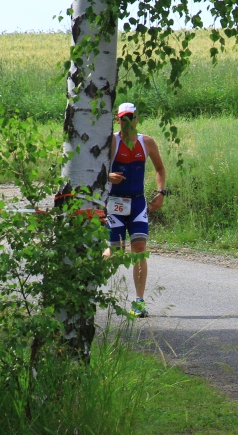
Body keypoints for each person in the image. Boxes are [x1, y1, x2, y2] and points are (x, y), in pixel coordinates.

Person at [106, 102, 167, 318]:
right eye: (124, 118)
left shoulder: (146, 142)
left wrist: (161, 193)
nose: (128, 122)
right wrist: (107, 176)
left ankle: (139, 302)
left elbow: (160, 168)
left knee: (139, 249)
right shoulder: (111, 141)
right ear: (118, 119)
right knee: (116, 253)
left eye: (131, 117)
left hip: (138, 202)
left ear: (137, 119)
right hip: (115, 202)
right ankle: (85, 278)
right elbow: (94, 169)